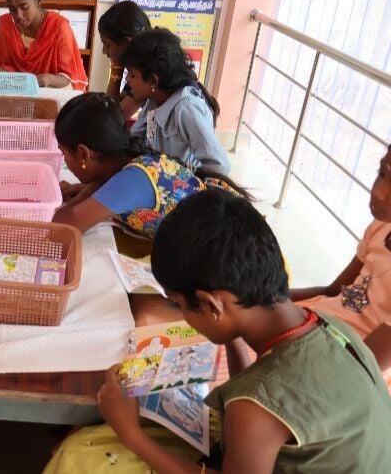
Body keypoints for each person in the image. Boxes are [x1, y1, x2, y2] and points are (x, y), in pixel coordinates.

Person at [45, 189, 391, 473]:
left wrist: (132, 435)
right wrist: (232, 337)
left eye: (179, 306)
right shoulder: (329, 326)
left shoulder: (255, 410)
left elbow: (258, 405)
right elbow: (259, 389)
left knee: (82, 455)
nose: (181, 315)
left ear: (212, 305)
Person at [52, 93, 244, 238]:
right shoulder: (131, 162)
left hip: (225, 250)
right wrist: (92, 188)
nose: (63, 159)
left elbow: (60, 228)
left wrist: (90, 191)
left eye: (63, 153)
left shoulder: (132, 180)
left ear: (84, 153)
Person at [291, 146, 391, 382]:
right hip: (317, 326)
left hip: (346, 368)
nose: (378, 192)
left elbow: (360, 372)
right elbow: (333, 290)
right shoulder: (382, 226)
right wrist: (260, 297)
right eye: (382, 174)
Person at [123, 28, 231, 174]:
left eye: (132, 75)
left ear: (153, 81)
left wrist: (189, 184)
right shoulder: (154, 101)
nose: (127, 80)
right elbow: (133, 142)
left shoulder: (187, 108)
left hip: (180, 191)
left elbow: (220, 166)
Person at [0, 0, 88, 90]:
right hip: (15, 93)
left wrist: (49, 79)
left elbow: (71, 77)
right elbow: (2, 65)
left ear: (38, 0)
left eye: (24, 7)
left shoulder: (59, 28)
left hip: (50, 95)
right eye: (12, 9)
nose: (19, 15)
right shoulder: (6, 25)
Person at [98, 1, 152, 118]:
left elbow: (114, 118)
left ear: (127, 43)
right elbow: (111, 108)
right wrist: (117, 68)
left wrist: (116, 68)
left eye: (107, 45)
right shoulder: (138, 66)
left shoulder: (146, 72)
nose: (104, 51)